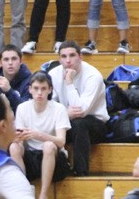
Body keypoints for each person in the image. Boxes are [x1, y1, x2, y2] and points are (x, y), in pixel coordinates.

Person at [48, 40, 109, 176]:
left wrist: (69, 83)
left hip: (95, 123)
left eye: (72, 55)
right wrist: (64, 114)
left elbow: (80, 111)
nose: (68, 61)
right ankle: (54, 171)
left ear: (80, 57)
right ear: (59, 59)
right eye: (63, 57)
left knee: (79, 124)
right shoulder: (53, 74)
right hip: (66, 121)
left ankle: (81, 172)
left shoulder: (93, 76)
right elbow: (49, 106)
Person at [9, 71, 71, 199]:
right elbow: (20, 140)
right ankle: (23, 191)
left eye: (43, 89)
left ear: (50, 90)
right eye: (36, 88)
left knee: (48, 146)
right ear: (30, 89)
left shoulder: (59, 108)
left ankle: (43, 195)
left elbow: (61, 141)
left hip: (55, 157)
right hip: (31, 156)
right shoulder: (22, 108)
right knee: (14, 147)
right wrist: (17, 138)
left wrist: (38, 135)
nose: (39, 93)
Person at [0, 44, 32, 113]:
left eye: (14, 59)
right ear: (0, 63)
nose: (10, 63)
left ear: (20, 62)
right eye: (6, 59)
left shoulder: (31, 82)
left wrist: (9, 91)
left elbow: (26, 111)